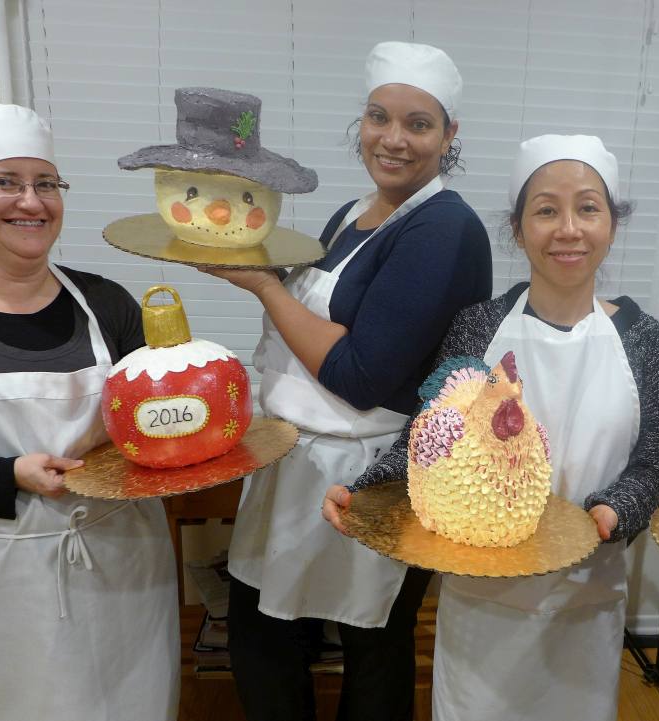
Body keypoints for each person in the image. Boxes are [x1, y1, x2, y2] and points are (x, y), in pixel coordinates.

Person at [325, 134, 659, 721]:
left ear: (612, 224)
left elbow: (656, 463)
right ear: (518, 229)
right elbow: (426, 437)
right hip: (480, 597)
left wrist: (612, 511)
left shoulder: (643, 339)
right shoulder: (478, 326)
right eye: (546, 210)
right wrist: (367, 491)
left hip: (586, 597)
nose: (568, 229)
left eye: (588, 208)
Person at [202, 42, 492, 721]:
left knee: (371, 643)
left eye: (419, 124)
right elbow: (326, 325)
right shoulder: (352, 213)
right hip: (298, 458)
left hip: (372, 473)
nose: (393, 139)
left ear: (450, 134)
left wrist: (265, 287)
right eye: (378, 116)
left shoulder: (445, 228)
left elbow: (361, 375)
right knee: (264, 632)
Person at [0, 104, 178, 720]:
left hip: (126, 568)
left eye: (46, 183)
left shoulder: (108, 304)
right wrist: (6, 475)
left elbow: (156, 426)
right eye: (4, 182)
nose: (32, 202)